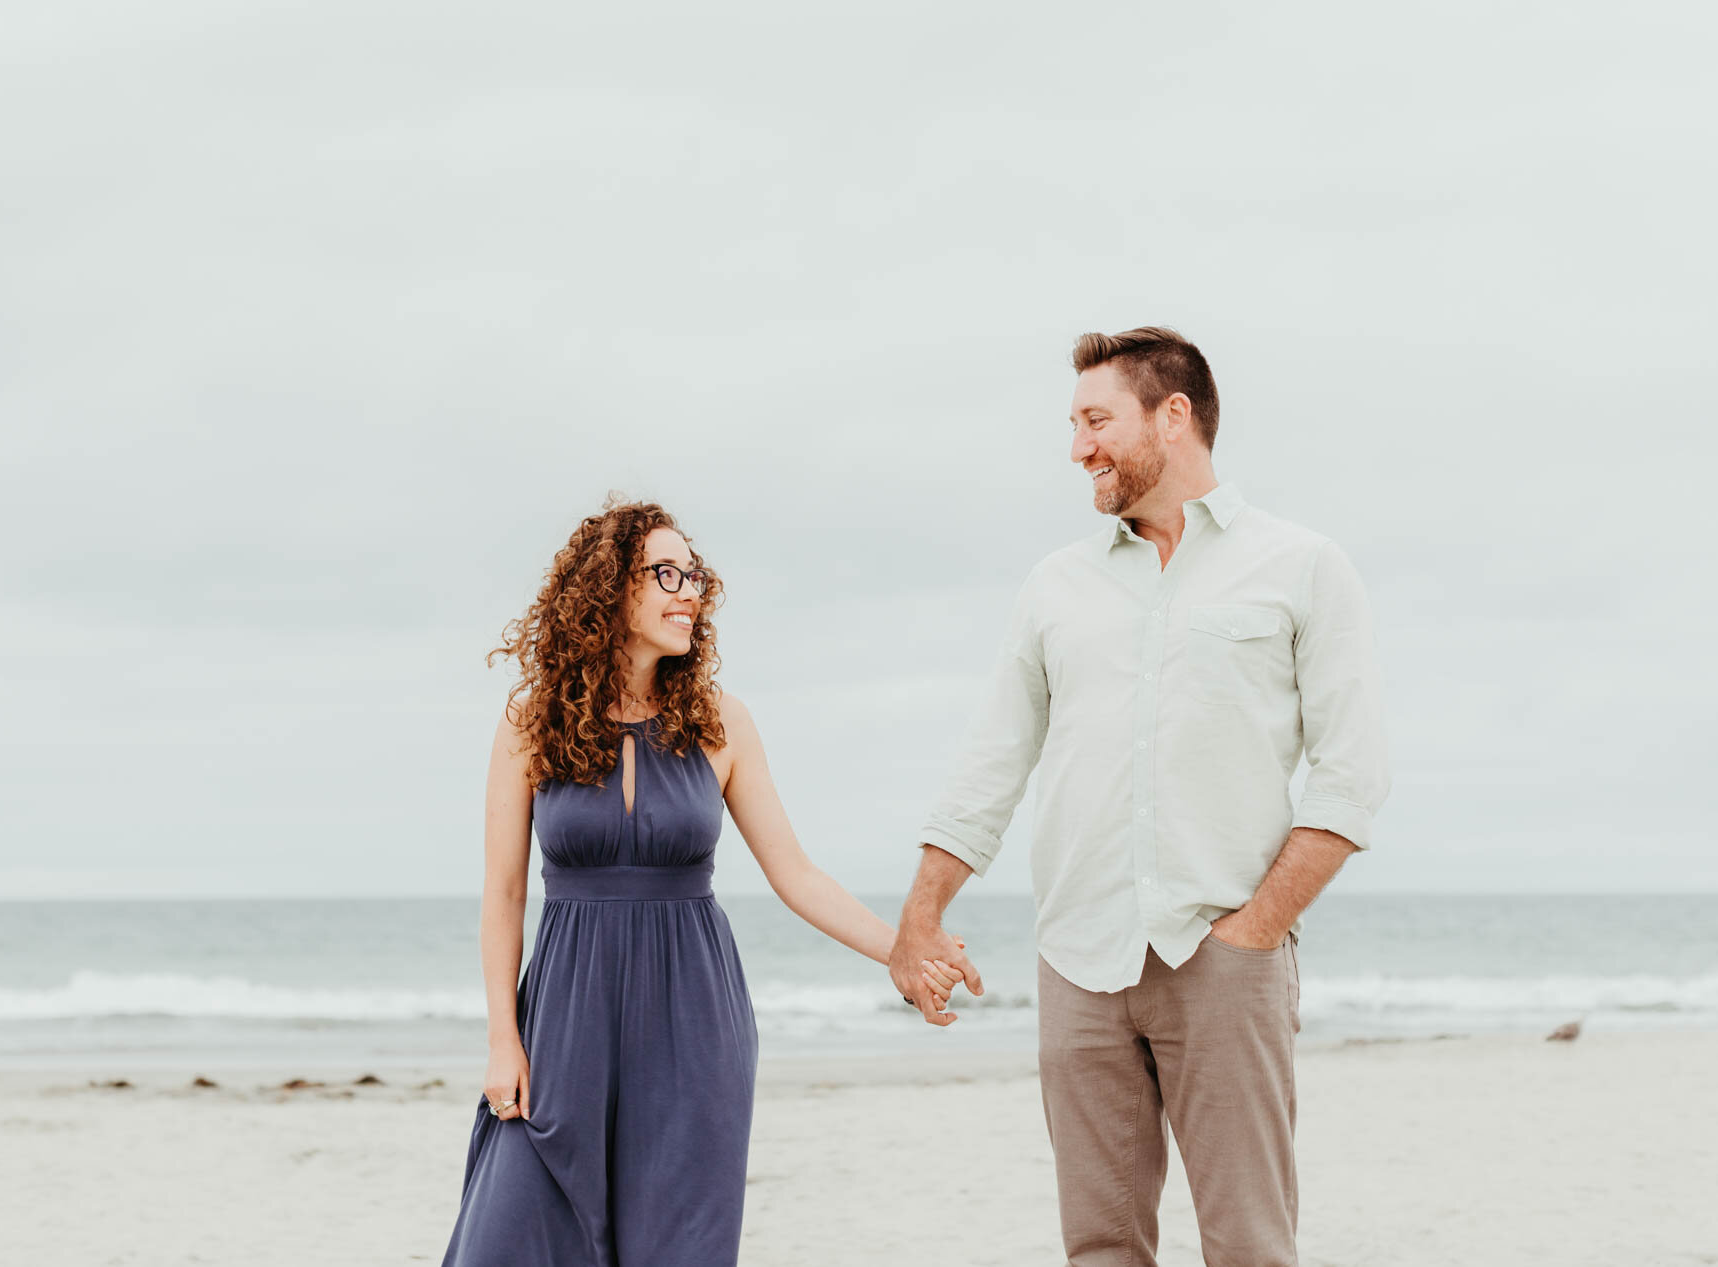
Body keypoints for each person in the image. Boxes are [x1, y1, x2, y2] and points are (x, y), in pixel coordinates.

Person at [895, 327, 1390, 1267]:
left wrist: (1254, 931)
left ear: (1174, 415)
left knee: (1249, 1247)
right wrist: (922, 912)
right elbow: (992, 763)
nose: (1077, 447)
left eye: (1095, 420)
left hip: (1224, 958)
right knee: (1100, 1248)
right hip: (1078, 961)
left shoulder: (1301, 565)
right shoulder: (1056, 585)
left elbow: (1353, 772)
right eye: (1072, 424)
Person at [440, 497, 959, 1266]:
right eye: (666, 572)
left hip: (692, 1026)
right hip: (563, 1024)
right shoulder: (532, 721)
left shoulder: (721, 721)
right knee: (509, 1237)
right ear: (608, 589)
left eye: (696, 574)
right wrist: (502, 1040)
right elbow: (505, 894)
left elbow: (797, 874)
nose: (690, 590)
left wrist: (902, 952)